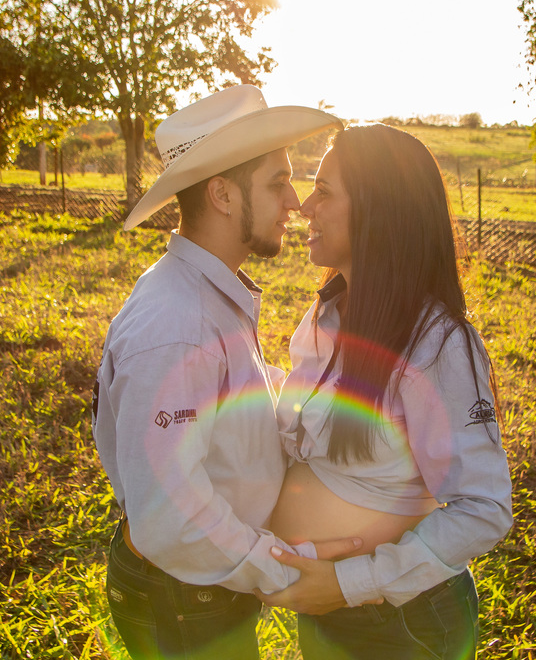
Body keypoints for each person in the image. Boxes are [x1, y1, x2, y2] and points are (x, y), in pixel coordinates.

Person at [91, 85, 357, 659]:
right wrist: (288, 573)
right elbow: (169, 518)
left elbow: (232, 404)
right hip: (184, 595)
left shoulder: (207, 297)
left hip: (202, 586)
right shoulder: (178, 325)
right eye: (276, 182)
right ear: (223, 195)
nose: (295, 202)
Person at [257, 124, 514, 659]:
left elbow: (484, 507)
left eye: (324, 191)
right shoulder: (325, 315)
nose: (304, 205)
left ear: (378, 211)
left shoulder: (436, 345)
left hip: (400, 622)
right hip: (331, 616)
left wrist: (353, 583)